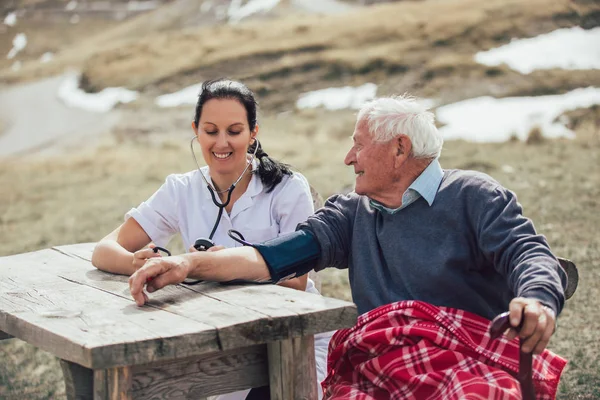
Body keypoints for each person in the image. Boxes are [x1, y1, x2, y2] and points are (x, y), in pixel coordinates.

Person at [128, 95, 568, 399]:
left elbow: (527, 253)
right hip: (380, 370)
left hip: (466, 363)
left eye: (359, 144)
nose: (348, 157)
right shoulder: (352, 211)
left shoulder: (474, 195)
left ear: (399, 149)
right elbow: (273, 257)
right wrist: (189, 263)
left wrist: (537, 300)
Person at [92, 78, 331, 400]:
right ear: (196, 130)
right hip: (222, 338)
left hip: (294, 337)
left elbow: (297, 281)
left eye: (234, 131)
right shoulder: (182, 190)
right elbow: (104, 251)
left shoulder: (287, 188)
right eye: (210, 131)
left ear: (253, 133)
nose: (222, 143)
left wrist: (209, 265)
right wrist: (139, 262)